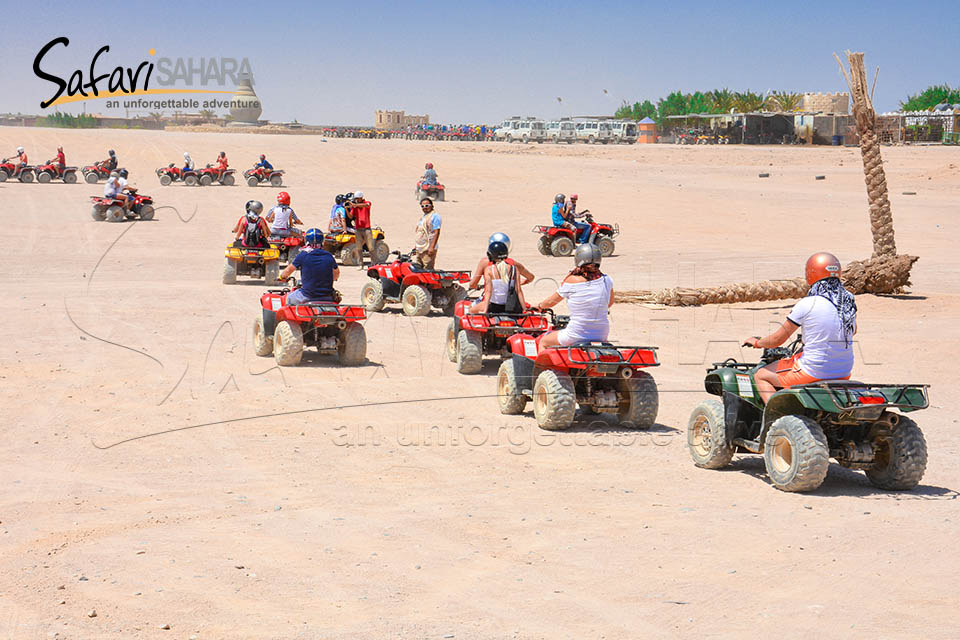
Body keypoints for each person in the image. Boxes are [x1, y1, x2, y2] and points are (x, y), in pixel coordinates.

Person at [743, 252, 857, 404]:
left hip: (812, 371)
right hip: (844, 372)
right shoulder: (847, 301)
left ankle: (776, 417)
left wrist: (757, 343)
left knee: (761, 375)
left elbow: (777, 340)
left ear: (811, 274)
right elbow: (853, 330)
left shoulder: (808, 303)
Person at [533, 243, 614, 349]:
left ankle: (541, 366)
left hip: (576, 335)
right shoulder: (607, 280)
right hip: (602, 335)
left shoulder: (572, 280)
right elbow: (609, 303)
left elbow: (550, 302)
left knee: (543, 341)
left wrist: (539, 307)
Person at [279, 228, 340, 305]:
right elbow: (336, 274)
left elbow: (288, 271)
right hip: (328, 297)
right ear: (322, 241)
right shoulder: (329, 256)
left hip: (307, 296)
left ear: (306, 241)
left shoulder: (303, 255)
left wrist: (282, 277)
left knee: (289, 298)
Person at [469, 240, 528, 314]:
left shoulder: (489, 270)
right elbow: (519, 291)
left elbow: (488, 292)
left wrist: (485, 310)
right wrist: (524, 309)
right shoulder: (514, 269)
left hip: (495, 307)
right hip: (511, 307)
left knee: (470, 310)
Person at [468, 232, 534, 291]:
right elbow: (531, 277)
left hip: (490, 299)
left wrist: (479, 287)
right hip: (510, 300)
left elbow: (472, 284)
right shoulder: (513, 264)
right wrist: (521, 282)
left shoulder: (484, 262)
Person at [345, 191, 374, 270]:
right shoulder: (355, 207)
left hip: (367, 228)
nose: (357, 200)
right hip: (358, 229)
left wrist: (355, 205)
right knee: (359, 247)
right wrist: (347, 209)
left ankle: (373, 263)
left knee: (370, 246)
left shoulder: (367, 203)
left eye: (358, 199)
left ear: (361, 198)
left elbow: (366, 205)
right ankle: (360, 264)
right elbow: (351, 216)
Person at [412, 197, 442, 269]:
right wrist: (416, 247)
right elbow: (420, 231)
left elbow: (436, 232)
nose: (424, 208)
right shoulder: (423, 218)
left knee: (427, 270)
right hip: (420, 248)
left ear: (431, 205)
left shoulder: (435, 216)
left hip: (428, 248)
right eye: (422, 206)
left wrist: (431, 247)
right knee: (418, 269)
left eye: (427, 205)